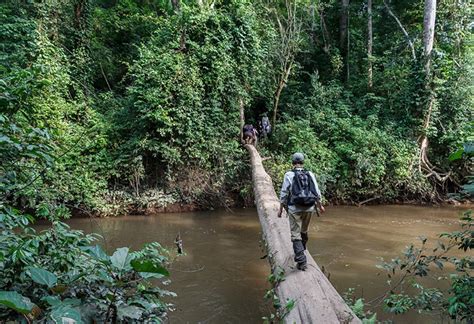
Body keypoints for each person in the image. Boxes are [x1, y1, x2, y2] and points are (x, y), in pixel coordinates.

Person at [277, 152, 325, 271]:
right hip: (309, 207)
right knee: (304, 230)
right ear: (303, 163)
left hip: (294, 208)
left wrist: (280, 209)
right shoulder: (310, 174)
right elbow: (316, 192)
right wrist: (320, 206)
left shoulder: (289, 174)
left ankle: (302, 261)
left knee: (295, 234)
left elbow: (284, 193)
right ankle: (301, 251)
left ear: (293, 163)